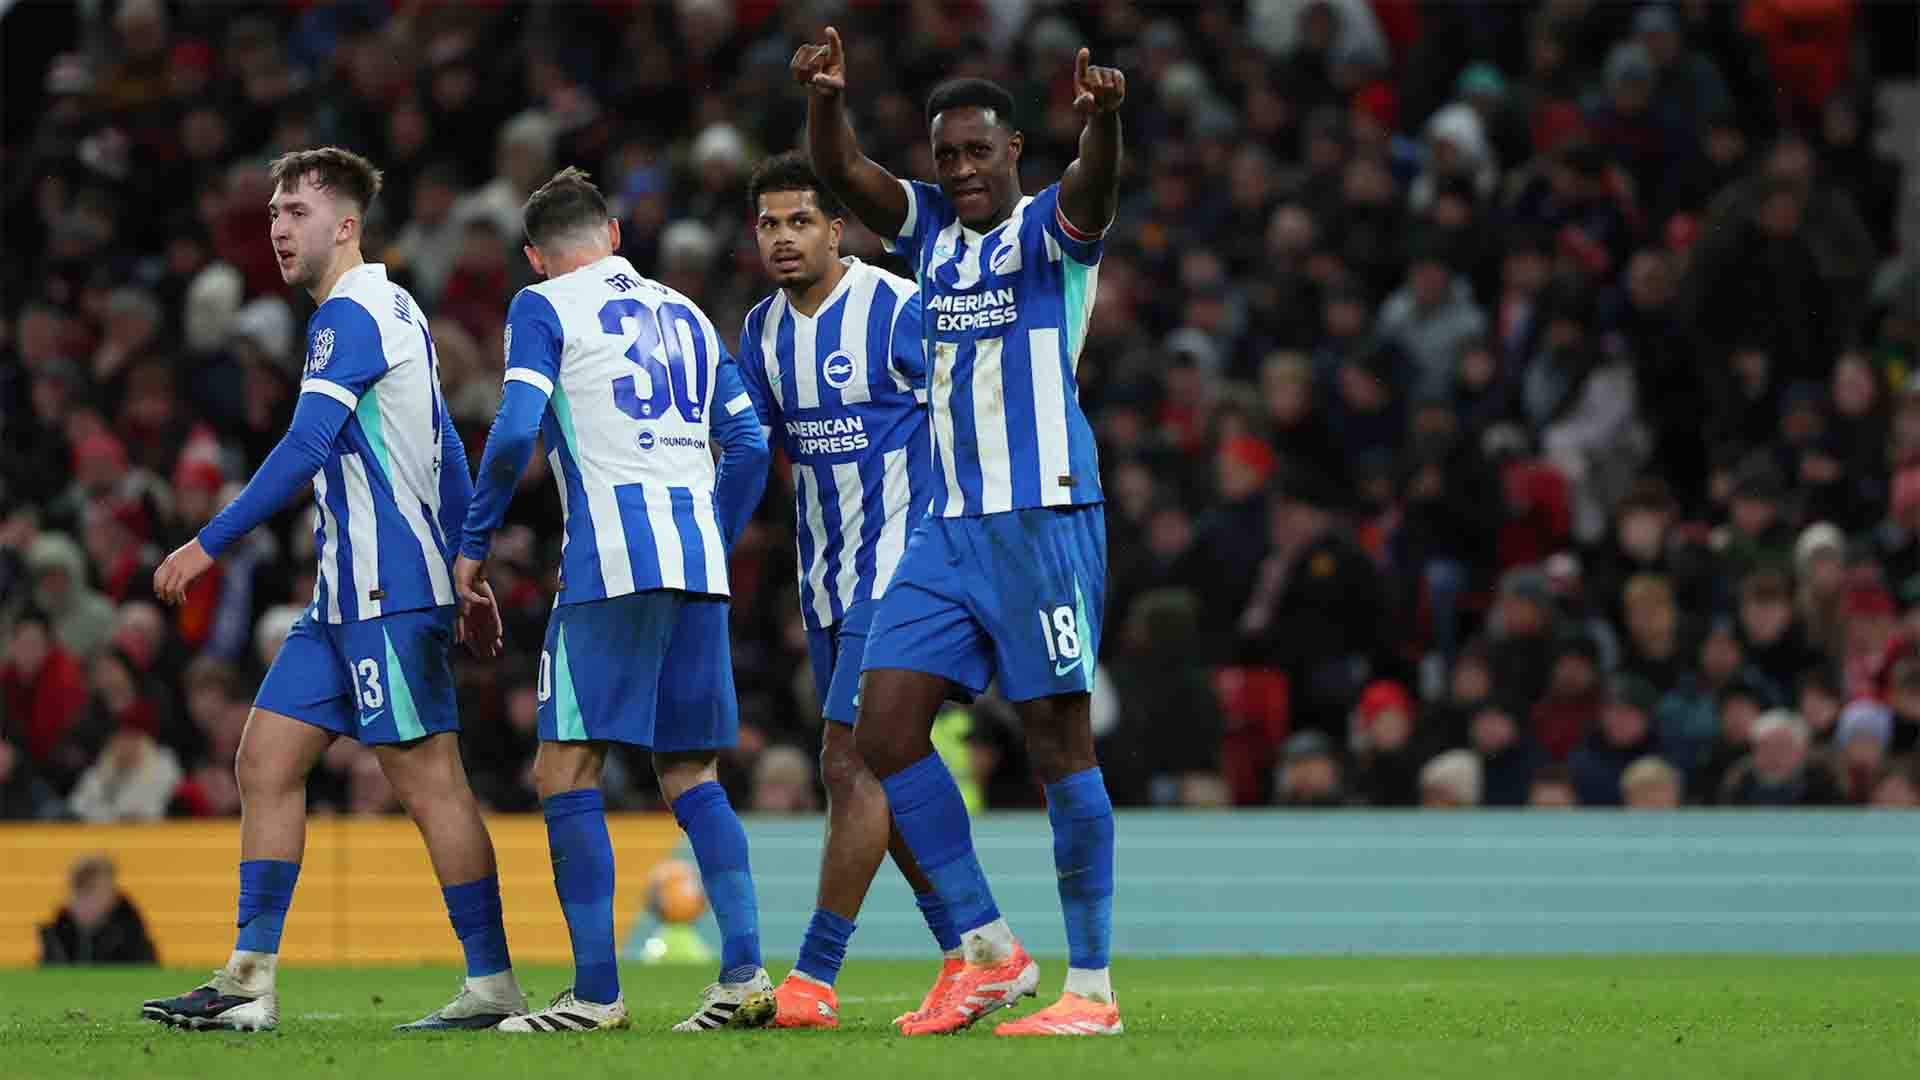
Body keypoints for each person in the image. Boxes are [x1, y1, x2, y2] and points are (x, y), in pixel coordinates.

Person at [141, 148, 525, 1034]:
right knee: (266, 762)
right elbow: (448, 450)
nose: (279, 226)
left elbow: (305, 449)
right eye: (274, 211)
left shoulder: (349, 316)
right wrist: (470, 568)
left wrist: (209, 544)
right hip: (344, 596)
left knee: (429, 783)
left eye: (297, 212)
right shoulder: (396, 308)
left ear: (345, 225)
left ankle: (495, 985)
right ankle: (248, 981)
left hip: (386, 590)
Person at [795, 26, 1125, 1036]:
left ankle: (1093, 992)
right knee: (882, 731)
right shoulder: (929, 226)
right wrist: (825, 99)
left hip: (1043, 516)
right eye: (947, 155)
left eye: (980, 151)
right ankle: (987, 948)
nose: (963, 169)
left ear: (1016, 152)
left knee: (1057, 739)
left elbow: (1096, 191)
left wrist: (1105, 123)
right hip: (945, 529)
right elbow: (840, 171)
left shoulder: (1051, 228)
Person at [454, 167, 771, 1033]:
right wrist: (711, 526)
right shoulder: (688, 312)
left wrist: (473, 544)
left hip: (612, 563)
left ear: (535, 256)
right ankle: (743, 974)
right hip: (697, 566)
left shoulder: (542, 306)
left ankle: (596, 993)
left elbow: (517, 425)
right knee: (691, 770)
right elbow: (748, 439)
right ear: (614, 237)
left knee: (565, 767)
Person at [730, 151, 958, 1029]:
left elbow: (968, 407)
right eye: (768, 224)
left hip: (907, 572)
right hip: (825, 583)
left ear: (838, 228)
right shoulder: (762, 331)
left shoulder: (898, 307)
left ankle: (813, 978)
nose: (783, 239)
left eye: (800, 222)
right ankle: (975, 949)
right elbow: (755, 451)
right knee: (882, 773)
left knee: (846, 760)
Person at [39, 856, 157, 965]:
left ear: (111, 897)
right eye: (81, 892)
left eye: (94, 892)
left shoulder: (134, 942)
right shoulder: (57, 939)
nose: (87, 902)